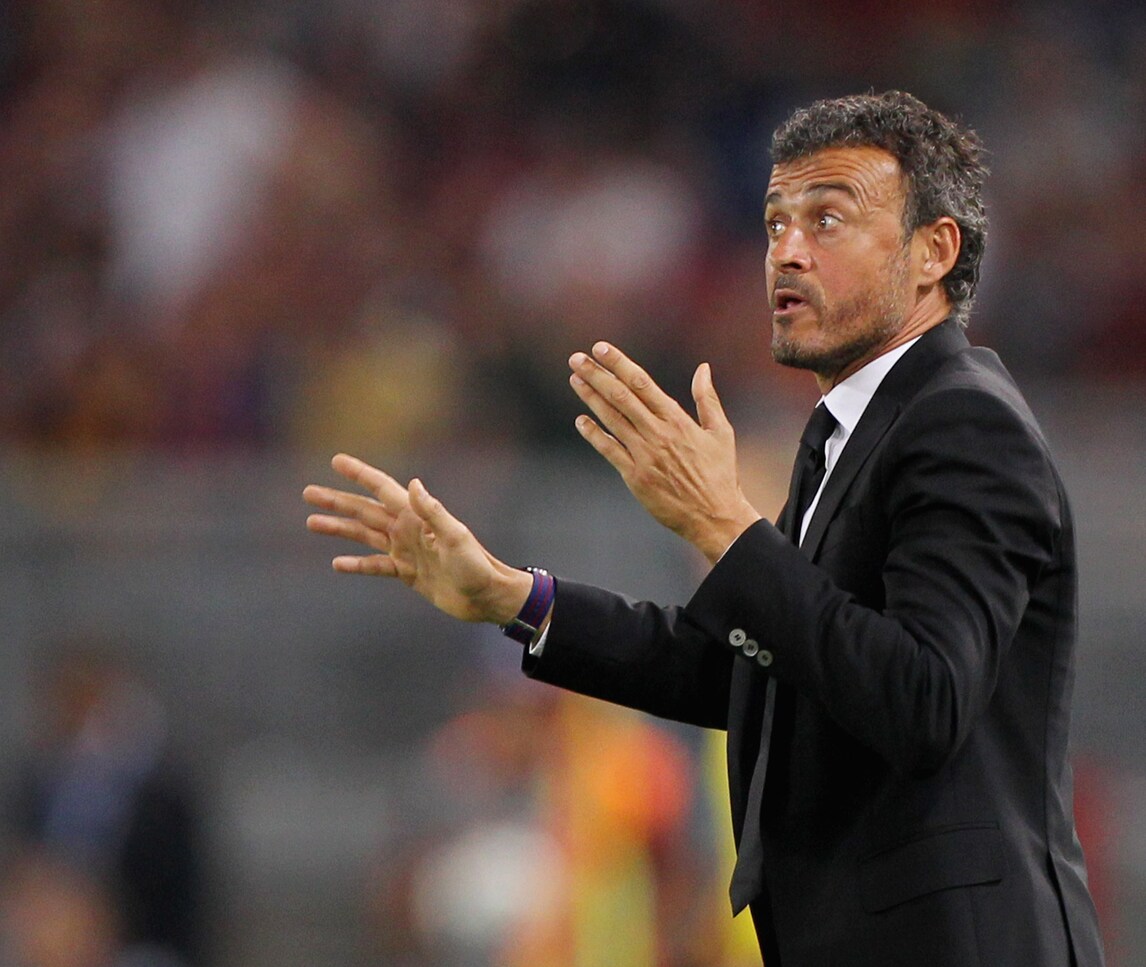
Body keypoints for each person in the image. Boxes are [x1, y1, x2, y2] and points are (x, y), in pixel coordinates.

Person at [303, 91, 1105, 966]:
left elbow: (924, 699)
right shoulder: (847, 440)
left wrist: (724, 525)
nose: (787, 251)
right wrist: (514, 597)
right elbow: (756, 671)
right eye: (774, 223)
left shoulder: (964, 422)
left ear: (933, 251)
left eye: (827, 219)